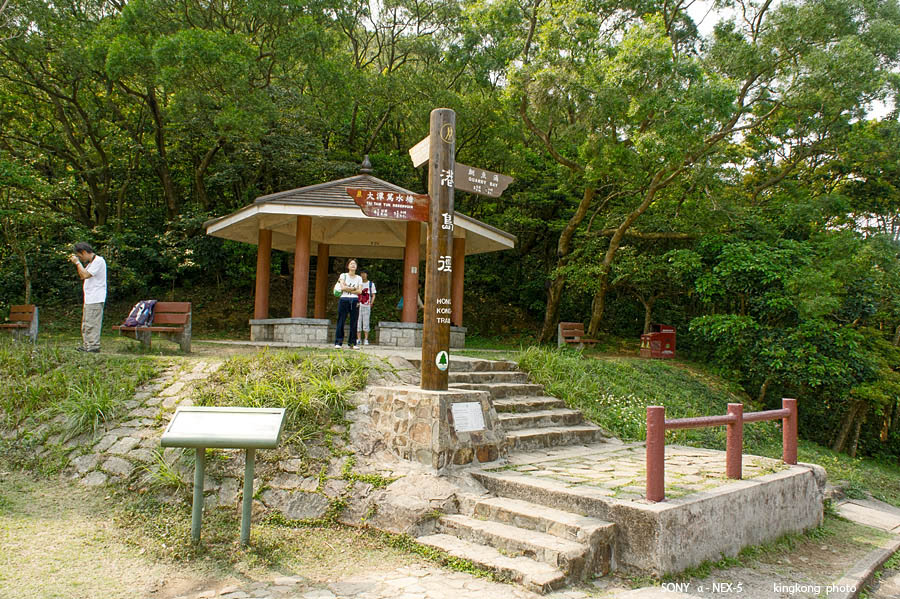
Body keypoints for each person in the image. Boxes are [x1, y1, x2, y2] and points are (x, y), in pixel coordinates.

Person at [69, 242, 107, 353]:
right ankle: (87, 345)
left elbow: (85, 275)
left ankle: (94, 346)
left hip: (96, 298)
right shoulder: (91, 263)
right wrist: (79, 264)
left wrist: (77, 263)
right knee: (86, 324)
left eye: (80, 256)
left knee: (92, 323)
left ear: (84, 252)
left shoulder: (99, 261)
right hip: (89, 298)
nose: (81, 259)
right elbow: (82, 275)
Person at [334, 258, 363, 349]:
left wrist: (349, 288)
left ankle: (352, 343)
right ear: (348, 266)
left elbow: (360, 291)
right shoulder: (343, 275)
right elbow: (342, 288)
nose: (353, 265)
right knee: (341, 321)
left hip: (354, 301)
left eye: (354, 264)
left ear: (356, 266)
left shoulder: (359, 278)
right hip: (344, 300)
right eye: (351, 264)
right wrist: (354, 289)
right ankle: (338, 342)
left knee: (354, 322)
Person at [357, 269, 376, 345]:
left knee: (366, 322)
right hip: (358, 305)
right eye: (361, 273)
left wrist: (371, 303)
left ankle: (366, 339)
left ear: (367, 274)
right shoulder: (358, 283)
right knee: (358, 322)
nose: (363, 275)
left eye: (364, 273)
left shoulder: (371, 284)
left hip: (367, 305)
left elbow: (373, 295)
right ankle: (358, 339)